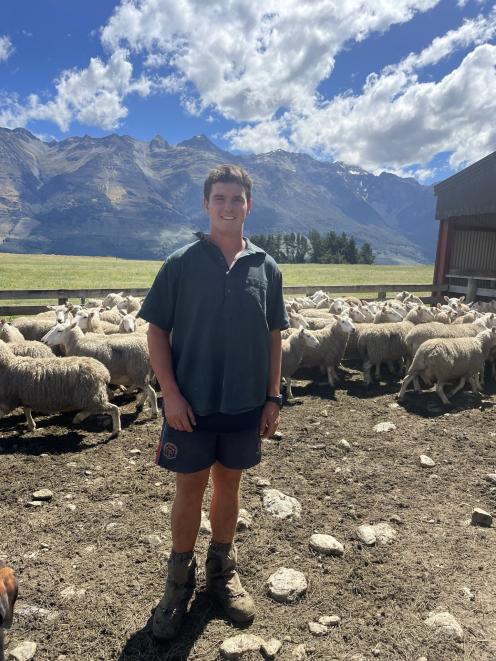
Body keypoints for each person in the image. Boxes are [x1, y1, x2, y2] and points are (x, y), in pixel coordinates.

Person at [139, 164, 289, 640]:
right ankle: (178, 584)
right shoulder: (180, 263)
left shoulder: (266, 268)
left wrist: (272, 396)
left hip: (245, 404)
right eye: (219, 198)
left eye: (237, 199)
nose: (228, 207)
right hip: (192, 406)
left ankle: (222, 571)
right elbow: (156, 331)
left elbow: (273, 336)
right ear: (206, 204)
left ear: (249, 205)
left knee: (229, 487)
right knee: (189, 489)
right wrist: (171, 394)